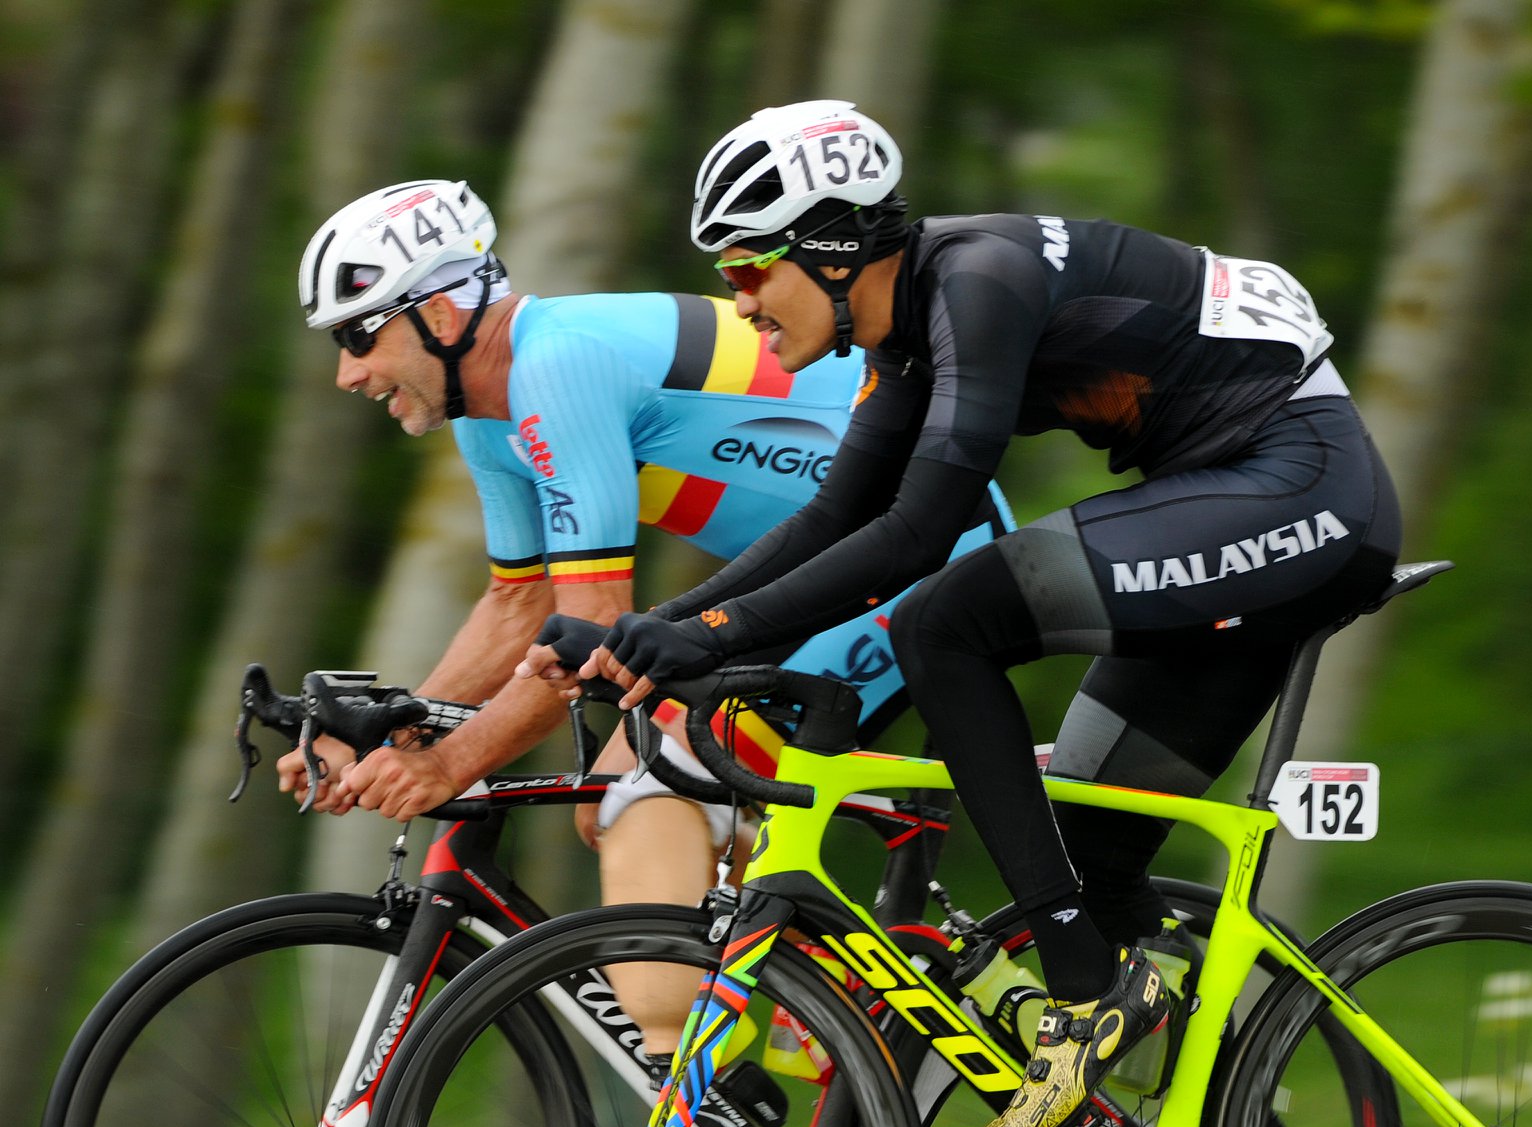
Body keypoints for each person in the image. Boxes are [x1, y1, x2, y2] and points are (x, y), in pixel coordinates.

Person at [528, 101, 1402, 1127]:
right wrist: (652, 632)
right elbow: (835, 516)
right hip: (1234, 517)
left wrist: (713, 637)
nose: (739, 298)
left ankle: (1083, 995)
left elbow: (918, 534)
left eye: (752, 268)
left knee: (944, 623)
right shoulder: (905, 333)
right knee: (1090, 851)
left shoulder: (980, 282)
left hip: (1299, 490)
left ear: (834, 251)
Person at [281, 178, 1011, 1065]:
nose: (347, 374)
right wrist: (391, 728)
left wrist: (449, 763)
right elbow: (520, 605)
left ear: (437, 314)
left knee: (646, 789)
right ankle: (824, 1004)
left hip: (920, 559)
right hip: (828, 578)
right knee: (626, 794)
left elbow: (593, 632)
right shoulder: (490, 414)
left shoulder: (558, 367)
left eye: (358, 337)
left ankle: (696, 1095)